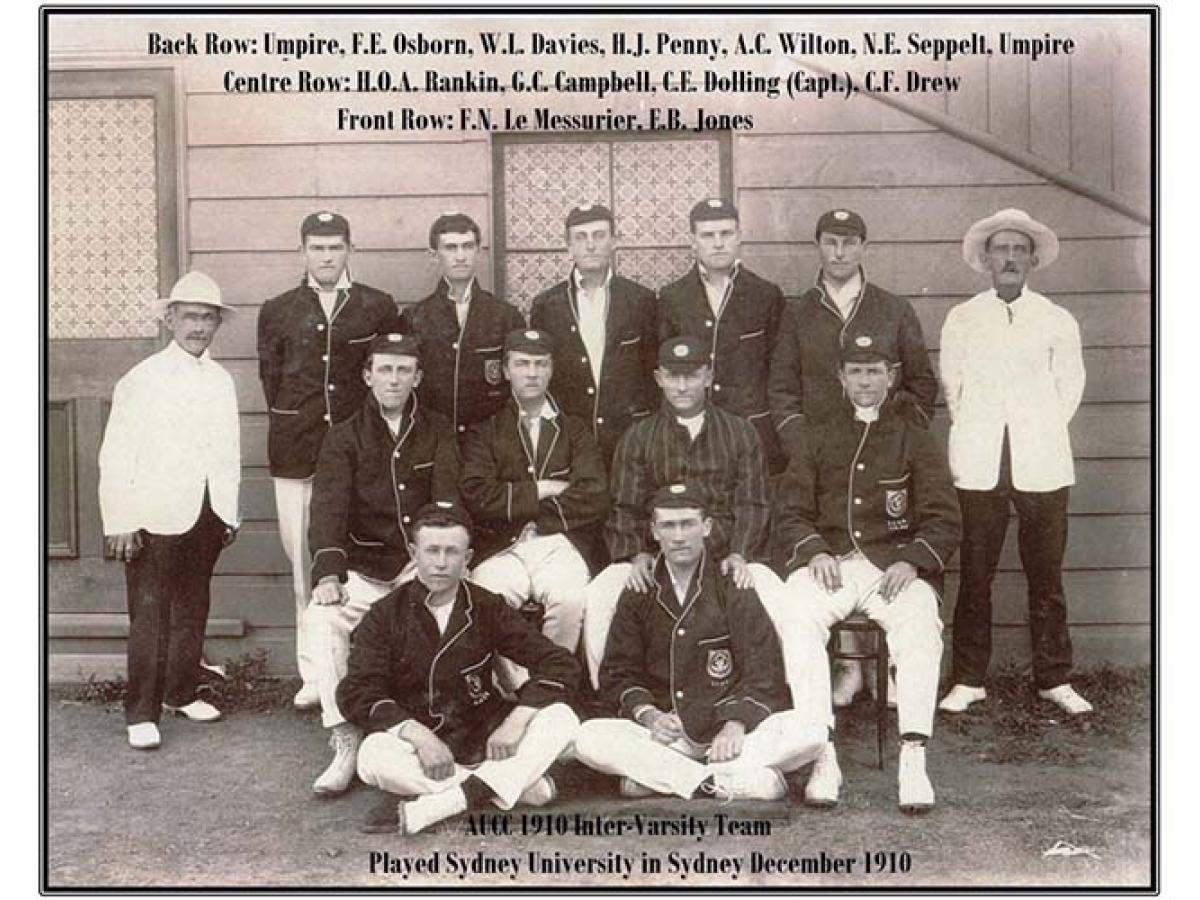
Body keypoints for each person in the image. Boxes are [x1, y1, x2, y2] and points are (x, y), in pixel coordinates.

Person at [763, 331, 960, 812]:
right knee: (797, 612)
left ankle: (913, 757)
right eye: (856, 371)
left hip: (890, 568)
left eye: (875, 371)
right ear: (841, 377)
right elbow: (791, 510)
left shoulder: (913, 436)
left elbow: (944, 516)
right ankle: (821, 752)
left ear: (891, 377)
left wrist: (911, 560)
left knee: (919, 621)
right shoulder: (818, 433)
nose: (865, 381)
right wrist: (813, 552)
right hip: (831, 564)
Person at [769, 208, 939, 708]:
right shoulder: (798, 311)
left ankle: (884, 667)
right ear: (818, 246)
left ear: (863, 246)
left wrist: (900, 437)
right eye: (830, 242)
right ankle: (845, 668)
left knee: (879, 542)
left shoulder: (892, 309)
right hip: (821, 457)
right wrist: (805, 446)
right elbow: (781, 388)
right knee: (830, 561)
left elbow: (922, 385)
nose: (839, 252)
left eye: (849, 242)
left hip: (883, 454)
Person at [336, 502, 581, 836]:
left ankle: (448, 802)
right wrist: (416, 734)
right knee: (372, 757)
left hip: (487, 734)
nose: (440, 563)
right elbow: (357, 691)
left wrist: (516, 721)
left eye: (451, 552)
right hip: (421, 742)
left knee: (562, 717)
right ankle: (511, 788)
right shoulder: (385, 614)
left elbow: (559, 663)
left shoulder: (486, 605)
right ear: (413, 552)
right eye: (431, 550)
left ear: (467, 559)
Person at [574, 484, 829, 802]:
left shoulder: (731, 581)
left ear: (706, 527)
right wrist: (649, 715)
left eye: (688, 524)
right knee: (587, 737)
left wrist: (736, 723)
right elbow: (618, 673)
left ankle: (660, 778)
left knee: (811, 731)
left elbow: (764, 670)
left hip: (731, 736)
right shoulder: (640, 589)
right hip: (669, 734)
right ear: (654, 531)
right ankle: (720, 783)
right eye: (668, 525)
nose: (679, 536)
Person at [938, 208, 1091, 717]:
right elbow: (953, 388)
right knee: (976, 572)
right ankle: (968, 678)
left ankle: (1053, 677)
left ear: (1032, 260)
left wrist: (1036, 428)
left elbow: (1070, 387)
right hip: (981, 460)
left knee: (1046, 572)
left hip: (1042, 460)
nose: (1009, 258)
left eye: (1018, 250)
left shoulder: (1055, 319)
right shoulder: (963, 318)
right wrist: (983, 430)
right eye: (1000, 249)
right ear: (986, 259)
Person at [257, 211, 403, 710]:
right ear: (303, 251)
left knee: (358, 559)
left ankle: (366, 665)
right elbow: (272, 379)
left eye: (335, 247)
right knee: (306, 563)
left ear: (349, 250)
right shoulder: (277, 310)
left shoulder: (376, 306)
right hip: (296, 451)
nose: (326, 256)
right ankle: (315, 674)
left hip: (359, 452)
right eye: (317, 248)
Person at [302, 333, 459, 795]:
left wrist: (432, 561)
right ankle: (345, 737)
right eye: (385, 370)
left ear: (418, 377)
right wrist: (329, 574)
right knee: (322, 618)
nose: (394, 379)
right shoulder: (344, 435)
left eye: (403, 370)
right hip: (366, 569)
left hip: (419, 566)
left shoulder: (437, 429)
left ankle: (446, 727)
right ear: (368, 376)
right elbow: (327, 510)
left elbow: (447, 505)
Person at [98, 271, 241, 749]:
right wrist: (120, 519)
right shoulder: (142, 379)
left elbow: (228, 449)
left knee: (193, 605)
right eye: (190, 317)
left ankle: (181, 691)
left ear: (217, 324)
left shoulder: (220, 380)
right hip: (153, 513)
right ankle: (141, 710)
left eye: (207, 318)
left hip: (206, 512)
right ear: (170, 320)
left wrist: (229, 511)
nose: (198, 327)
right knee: (152, 612)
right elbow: (117, 453)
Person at [581, 335, 770, 689]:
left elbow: (754, 503)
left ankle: (777, 702)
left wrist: (740, 553)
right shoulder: (639, 436)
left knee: (777, 597)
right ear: (659, 378)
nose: (682, 386)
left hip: (725, 557)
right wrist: (635, 555)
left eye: (692, 375)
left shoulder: (740, 432)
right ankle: (612, 697)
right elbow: (624, 506)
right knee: (602, 592)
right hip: (657, 558)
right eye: (673, 376)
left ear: (708, 376)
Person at [460, 328, 608, 675]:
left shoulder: (575, 430)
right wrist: (541, 489)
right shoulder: (486, 430)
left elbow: (593, 494)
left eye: (540, 364)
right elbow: (478, 494)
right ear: (505, 370)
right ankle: (518, 690)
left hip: (558, 541)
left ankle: (553, 681)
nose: (531, 372)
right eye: (522, 363)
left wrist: (532, 512)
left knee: (571, 598)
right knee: (485, 598)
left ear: (552, 369)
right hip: (502, 544)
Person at [657, 198, 787, 472]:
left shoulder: (765, 295)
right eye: (708, 235)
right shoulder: (672, 297)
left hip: (752, 433)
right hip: (692, 435)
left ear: (739, 236)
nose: (718, 243)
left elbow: (781, 372)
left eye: (726, 234)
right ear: (693, 241)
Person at [529, 202, 657, 468]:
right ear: (569, 246)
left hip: (630, 435)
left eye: (599, 235)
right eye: (581, 237)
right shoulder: (547, 305)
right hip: (571, 439)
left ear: (614, 242)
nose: (590, 245)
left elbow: (652, 371)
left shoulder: (640, 299)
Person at [402, 212, 525, 441]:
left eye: (467, 246)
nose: (460, 256)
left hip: (490, 442)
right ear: (434, 255)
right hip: (432, 441)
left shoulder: (505, 315)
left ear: (478, 251)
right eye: (450, 248)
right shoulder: (414, 317)